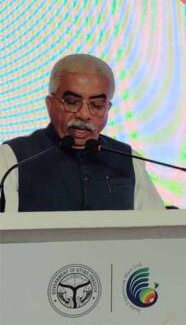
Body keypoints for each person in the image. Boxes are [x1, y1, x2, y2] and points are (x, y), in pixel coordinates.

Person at [0, 53, 164, 211]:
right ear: (49, 104)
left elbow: (157, 225)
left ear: (107, 109)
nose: (84, 114)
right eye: (72, 102)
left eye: (96, 105)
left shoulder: (129, 159)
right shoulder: (12, 159)